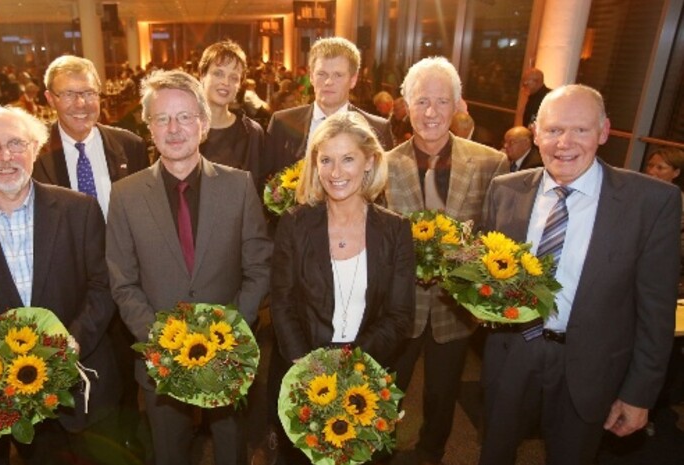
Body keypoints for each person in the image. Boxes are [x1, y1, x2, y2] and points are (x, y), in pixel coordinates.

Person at [478, 84, 681, 465]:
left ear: (604, 132)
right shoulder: (505, 190)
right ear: (536, 133)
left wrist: (639, 394)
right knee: (494, 452)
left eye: (580, 130)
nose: (564, 143)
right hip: (513, 355)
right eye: (554, 130)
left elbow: (656, 312)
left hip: (591, 366)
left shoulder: (652, 203)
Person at [0, 105, 121, 465]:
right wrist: (1, 359)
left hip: (82, 385)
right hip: (7, 390)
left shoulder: (79, 210)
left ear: (35, 149)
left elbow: (102, 286)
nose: (6, 157)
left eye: (17, 143)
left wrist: (73, 343)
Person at [106, 69, 272, 465]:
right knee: (168, 451)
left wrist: (232, 331)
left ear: (203, 124)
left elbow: (259, 266)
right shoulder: (125, 195)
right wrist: (161, 341)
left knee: (231, 448)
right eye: (161, 118)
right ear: (149, 128)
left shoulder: (239, 186)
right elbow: (123, 282)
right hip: (159, 358)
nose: (174, 128)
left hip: (228, 352)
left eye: (184, 117)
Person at [270, 112, 415, 463]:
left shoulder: (395, 230)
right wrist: (309, 368)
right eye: (326, 160)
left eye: (348, 158)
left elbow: (400, 317)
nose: (336, 173)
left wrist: (350, 368)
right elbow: (282, 303)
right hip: (302, 371)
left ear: (369, 161)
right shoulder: (295, 224)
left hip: (366, 373)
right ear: (315, 165)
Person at [384, 56, 508, 465]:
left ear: (458, 105)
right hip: (398, 307)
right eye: (421, 101)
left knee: (442, 394)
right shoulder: (382, 166)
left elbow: (496, 236)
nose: (431, 112)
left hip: (454, 309)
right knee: (385, 390)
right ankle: (377, 451)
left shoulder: (491, 163)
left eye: (442, 101)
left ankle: (431, 453)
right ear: (405, 104)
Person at [263, 37, 392, 191]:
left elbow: (384, 189)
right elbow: (267, 183)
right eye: (322, 74)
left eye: (338, 75)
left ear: (353, 80)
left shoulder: (377, 129)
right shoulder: (282, 122)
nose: (329, 82)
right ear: (311, 77)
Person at [33, 55, 148, 219]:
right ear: (50, 99)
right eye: (68, 94)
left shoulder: (131, 146)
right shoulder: (34, 154)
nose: (80, 103)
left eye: (89, 93)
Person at [198, 40, 265, 179]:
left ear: (240, 84)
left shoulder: (252, 133)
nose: (225, 82)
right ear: (202, 76)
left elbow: (256, 190)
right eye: (218, 73)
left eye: (234, 77)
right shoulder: (181, 127)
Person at [643, 147, 684, 256]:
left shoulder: (679, 202)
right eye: (650, 165)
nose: (651, 171)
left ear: (676, 173)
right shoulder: (636, 192)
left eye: (660, 168)